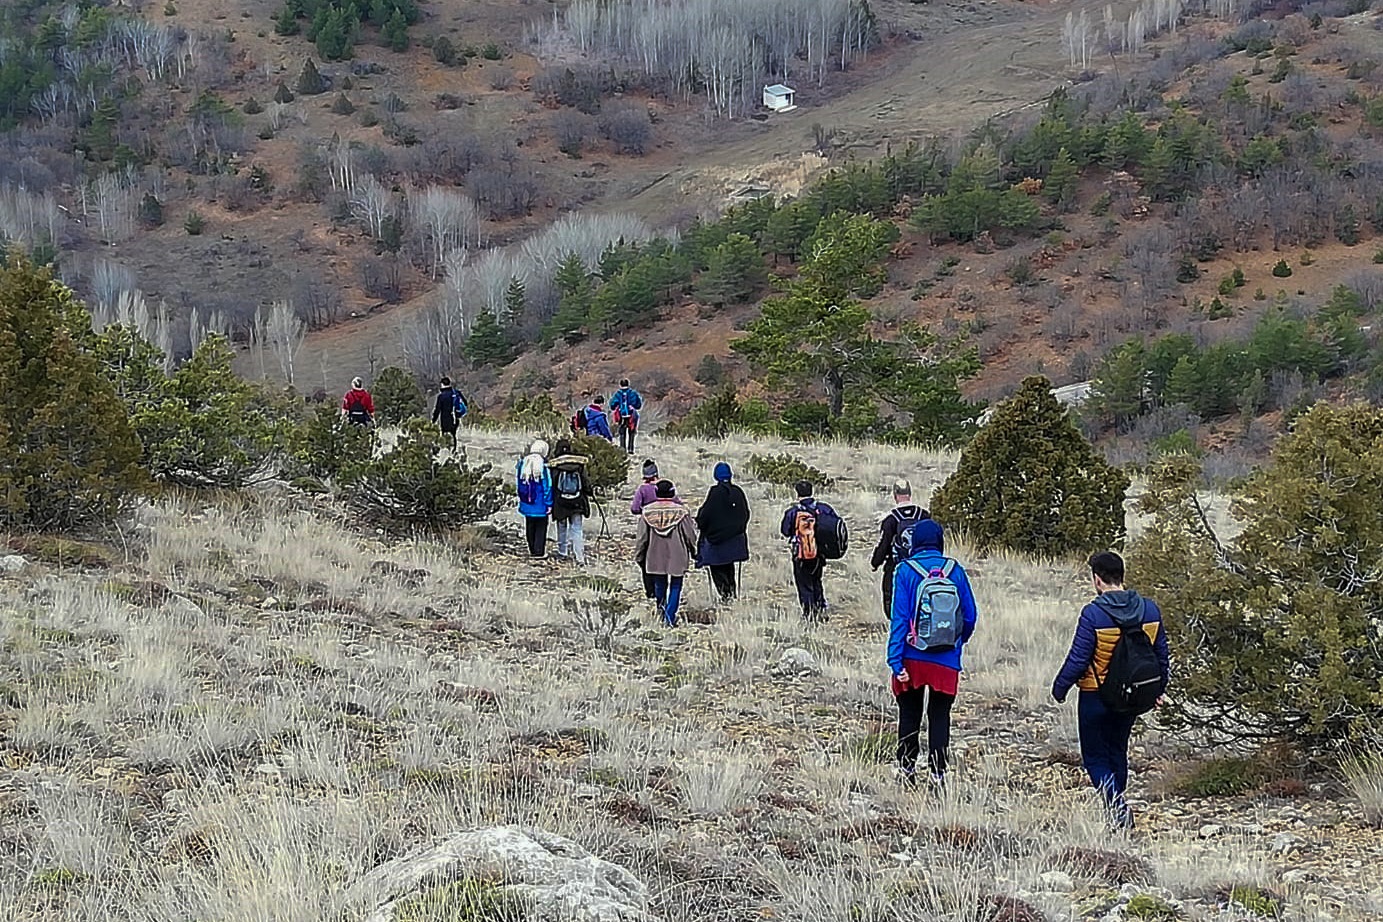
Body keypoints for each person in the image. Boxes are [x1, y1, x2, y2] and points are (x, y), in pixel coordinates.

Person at [1052, 551, 1171, 829]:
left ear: (1097, 579)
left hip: (1095, 696)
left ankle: (1115, 805)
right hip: (1133, 695)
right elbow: (1161, 655)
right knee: (1118, 748)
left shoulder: (1094, 614)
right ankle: (1117, 803)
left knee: (1095, 756)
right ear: (1121, 575)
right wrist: (1158, 689)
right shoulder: (1150, 609)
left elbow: (1079, 659)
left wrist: (1060, 687)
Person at [887, 520, 978, 788]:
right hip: (946, 659)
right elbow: (971, 616)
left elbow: (900, 619)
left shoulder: (904, 571)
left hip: (912, 657)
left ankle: (906, 770)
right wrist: (957, 642)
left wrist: (895, 660)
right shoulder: (956, 571)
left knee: (909, 714)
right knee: (940, 716)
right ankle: (938, 775)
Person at [634, 480, 699, 626]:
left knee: (659, 584)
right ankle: (669, 617)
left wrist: (639, 555)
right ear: (672, 492)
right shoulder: (682, 512)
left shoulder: (647, 512)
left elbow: (642, 538)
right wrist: (695, 552)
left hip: (655, 554)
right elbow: (690, 535)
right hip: (677, 554)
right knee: (676, 585)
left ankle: (661, 609)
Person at [870, 480, 930, 620]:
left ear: (895, 495)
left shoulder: (891, 519)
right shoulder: (924, 515)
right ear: (910, 493)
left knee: (893, 604)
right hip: (922, 568)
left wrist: (875, 562)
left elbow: (884, 544)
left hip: (897, 568)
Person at [779, 480, 837, 619]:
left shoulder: (793, 512)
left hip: (801, 553)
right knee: (816, 580)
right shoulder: (824, 509)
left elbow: (785, 531)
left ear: (797, 493)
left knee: (804, 584)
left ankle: (809, 613)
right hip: (819, 553)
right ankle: (820, 608)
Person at [695, 462, 750, 604]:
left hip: (717, 541)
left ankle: (726, 596)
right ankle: (731, 594)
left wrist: (702, 525)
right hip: (736, 539)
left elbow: (705, 515)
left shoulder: (715, 492)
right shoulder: (738, 491)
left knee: (717, 569)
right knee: (729, 567)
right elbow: (746, 514)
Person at [631, 459, 680, 600]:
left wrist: (645, 510)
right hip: (669, 530)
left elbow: (634, 508)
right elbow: (679, 504)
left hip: (649, 527)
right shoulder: (665, 487)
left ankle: (651, 592)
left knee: (647, 560)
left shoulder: (642, 489)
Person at [549, 438, 592, 565]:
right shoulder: (578, 465)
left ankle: (562, 552)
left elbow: (552, 484)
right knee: (577, 528)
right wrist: (589, 492)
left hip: (561, 501)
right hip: (577, 500)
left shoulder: (555, 465)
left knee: (562, 527)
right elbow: (585, 483)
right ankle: (579, 556)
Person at [515, 440, 552, 558]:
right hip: (540, 503)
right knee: (541, 527)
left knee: (529, 525)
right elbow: (547, 486)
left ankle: (532, 550)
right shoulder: (543, 467)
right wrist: (549, 503)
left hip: (527, 501)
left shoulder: (523, 464)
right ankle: (539, 552)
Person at [431, 376, 466, 449]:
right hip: (455, 418)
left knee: (445, 436)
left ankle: (446, 452)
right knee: (453, 434)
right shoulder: (456, 393)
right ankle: (454, 450)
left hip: (445, 419)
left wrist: (433, 421)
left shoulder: (441, 396)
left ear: (442, 384)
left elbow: (437, 409)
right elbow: (465, 403)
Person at [610, 379, 643, 455]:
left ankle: (622, 449)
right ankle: (630, 449)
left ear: (620, 385)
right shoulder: (633, 393)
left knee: (622, 432)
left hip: (621, 415)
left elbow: (612, 405)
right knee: (631, 432)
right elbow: (638, 404)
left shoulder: (618, 394)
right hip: (631, 415)